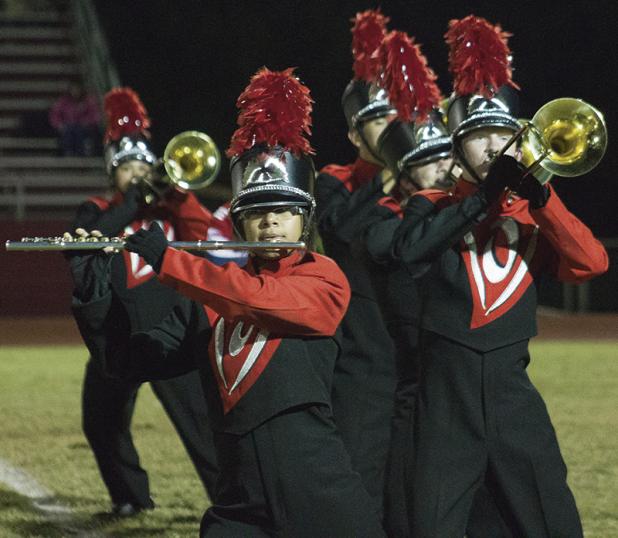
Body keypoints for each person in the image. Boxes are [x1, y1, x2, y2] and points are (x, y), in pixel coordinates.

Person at [73, 68, 385, 537]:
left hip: (317, 487)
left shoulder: (323, 278)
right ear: (239, 225)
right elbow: (125, 361)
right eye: (256, 213)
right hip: (238, 496)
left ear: (306, 219)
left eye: (283, 211)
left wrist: (171, 262)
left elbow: (260, 300)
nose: (271, 223)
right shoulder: (212, 298)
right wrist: (91, 286)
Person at [389, 15, 608, 536]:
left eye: (501, 135)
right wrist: (482, 199)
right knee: (432, 525)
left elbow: (591, 264)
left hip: (513, 398)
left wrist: (544, 198)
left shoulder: (533, 211)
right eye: (478, 137)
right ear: (457, 148)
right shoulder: (429, 204)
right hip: (445, 406)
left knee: (552, 520)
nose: (492, 148)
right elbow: (410, 253)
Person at [68, 87, 220, 516]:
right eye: (126, 167)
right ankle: (130, 498)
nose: (136, 173)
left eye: (142, 165)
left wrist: (176, 193)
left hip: (172, 331)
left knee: (201, 427)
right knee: (101, 423)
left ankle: (230, 501)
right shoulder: (96, 208)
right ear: (111, 173)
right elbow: (85, 241)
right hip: (116, 335)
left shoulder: (171, 211)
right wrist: (135, 198)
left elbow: (207, 235)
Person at [314, 10, 398, 518]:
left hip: (424, 363)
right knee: (360, 486)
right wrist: (394, 177)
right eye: (378, 123)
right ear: (353, 133)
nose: (391, 132)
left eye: (397, 121)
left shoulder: (432, 177)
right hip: (363, 364)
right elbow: (339, 229)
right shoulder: (337, 178)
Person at [49, 81, 101, 156]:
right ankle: (69, 152)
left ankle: (81, 153)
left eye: (77, 89)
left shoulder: (88, 101)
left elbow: (95, 115)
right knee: (69, 131)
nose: (75, 92)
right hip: (68, 127)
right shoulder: (63, 101)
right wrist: (59, 124)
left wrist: (88, 122)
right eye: (73, 90)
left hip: (83, 127)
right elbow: (55, 114)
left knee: (79, 131)